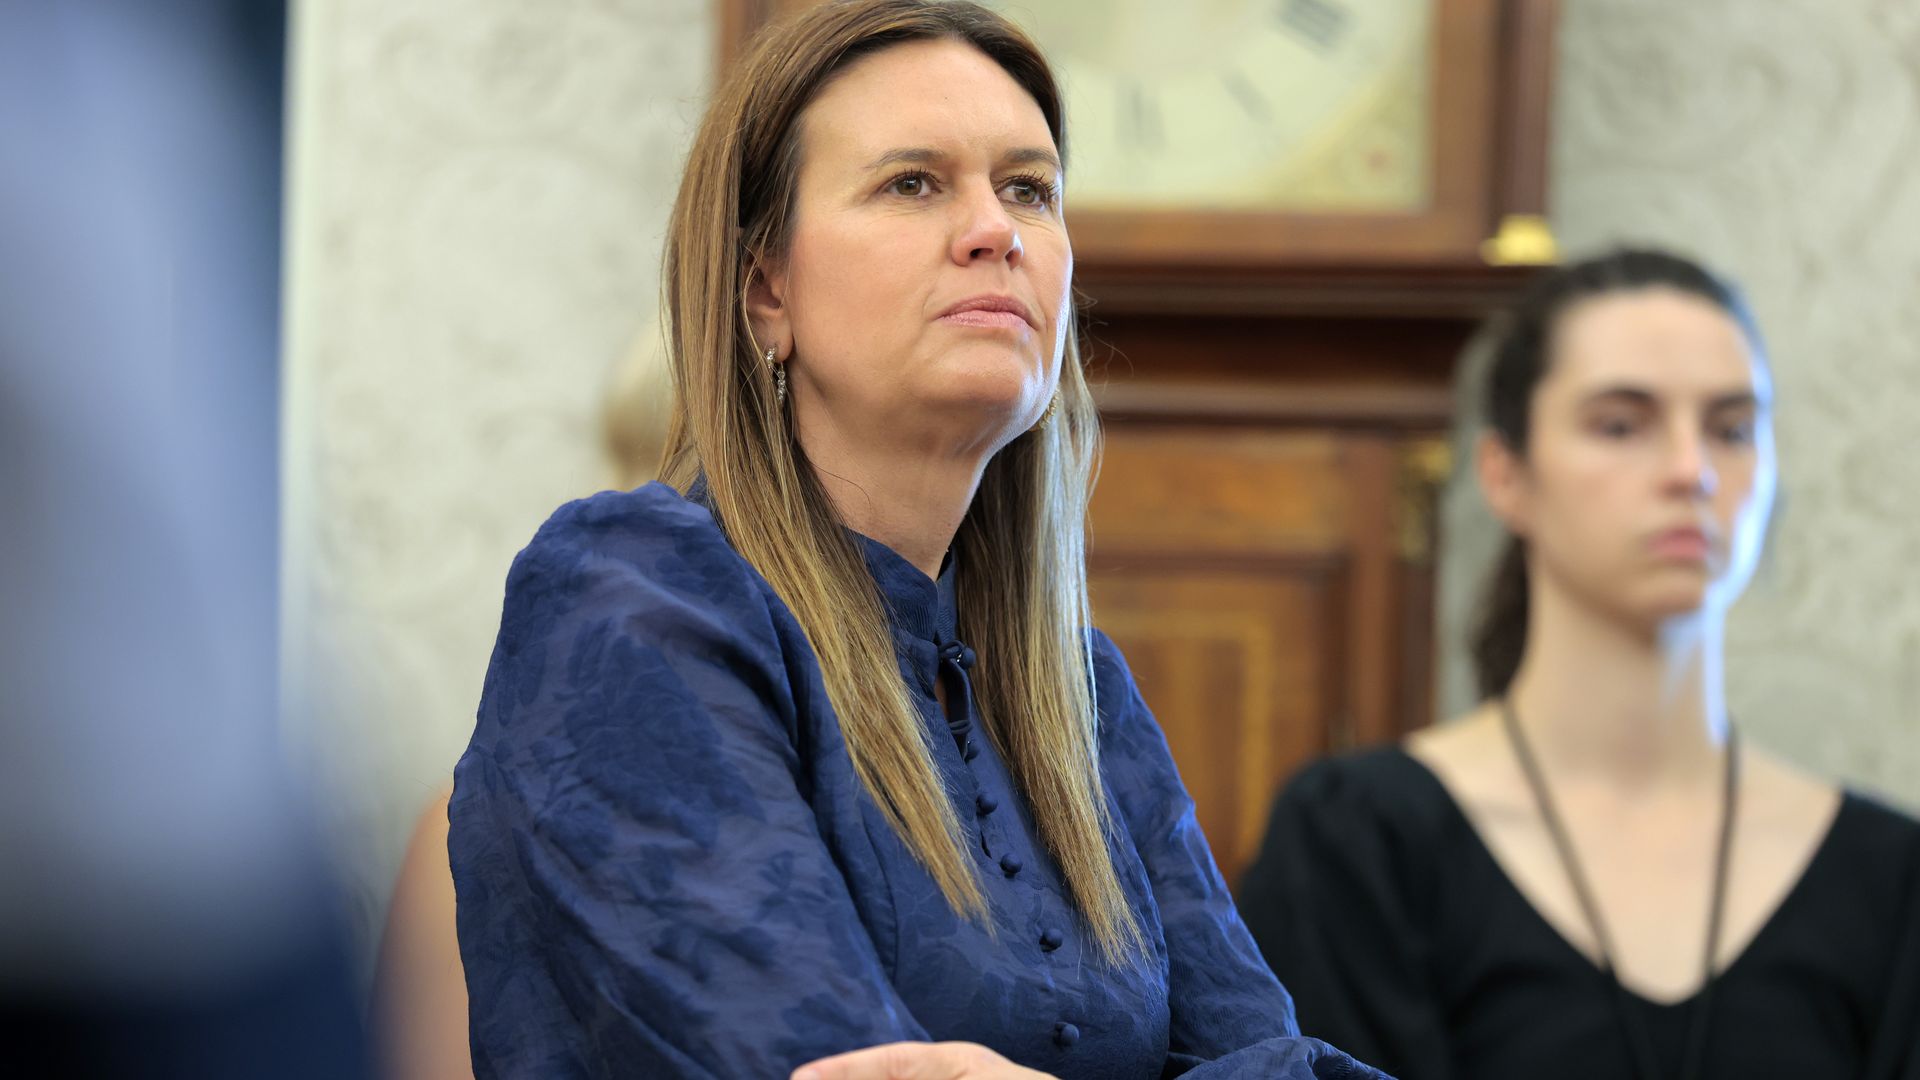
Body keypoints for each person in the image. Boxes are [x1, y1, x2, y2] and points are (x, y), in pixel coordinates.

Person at [446, 3, 1384, 1078]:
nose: (996, 230)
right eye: (912, 184)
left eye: (1028, 189)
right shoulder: (633, 596)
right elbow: (825, 1060)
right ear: (766, 290)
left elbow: (1275, 1057)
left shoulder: (1082, 694)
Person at [1237, 249, 1920, 1080]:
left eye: (1733, 429)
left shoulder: (1890, 876)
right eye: (1621, 425)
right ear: (1506, 474)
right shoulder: (1358, 839)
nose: (1692, 470)